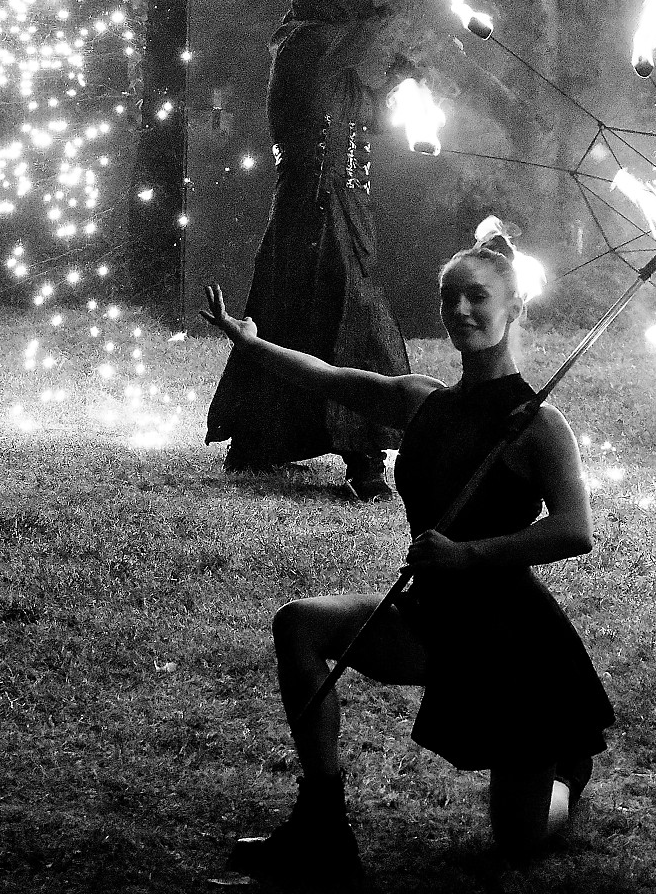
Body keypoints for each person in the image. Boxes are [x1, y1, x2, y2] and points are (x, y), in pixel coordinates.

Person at [200, 229, 614, 886]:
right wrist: (249, 345)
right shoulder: (424, 401)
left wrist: (465, 556)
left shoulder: (538, 424)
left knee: (520, 839)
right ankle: (323, 823)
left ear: (513, 309)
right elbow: (330, 379)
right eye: (450, 297)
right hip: (431, 618)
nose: (461, 310)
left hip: (510, 640)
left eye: (477, 297)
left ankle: (567, 776)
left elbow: (574, 531)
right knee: (300, 623)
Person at [204, 0, 422, 501]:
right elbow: (354, 45)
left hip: (344, 206)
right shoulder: (303, 46)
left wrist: (401, 73)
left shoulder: (332, 60)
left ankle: (265, 440)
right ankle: (361, 457)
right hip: (315, 206)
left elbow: (371, 106)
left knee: (300, 316)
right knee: (347, 318)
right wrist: (393, 4)